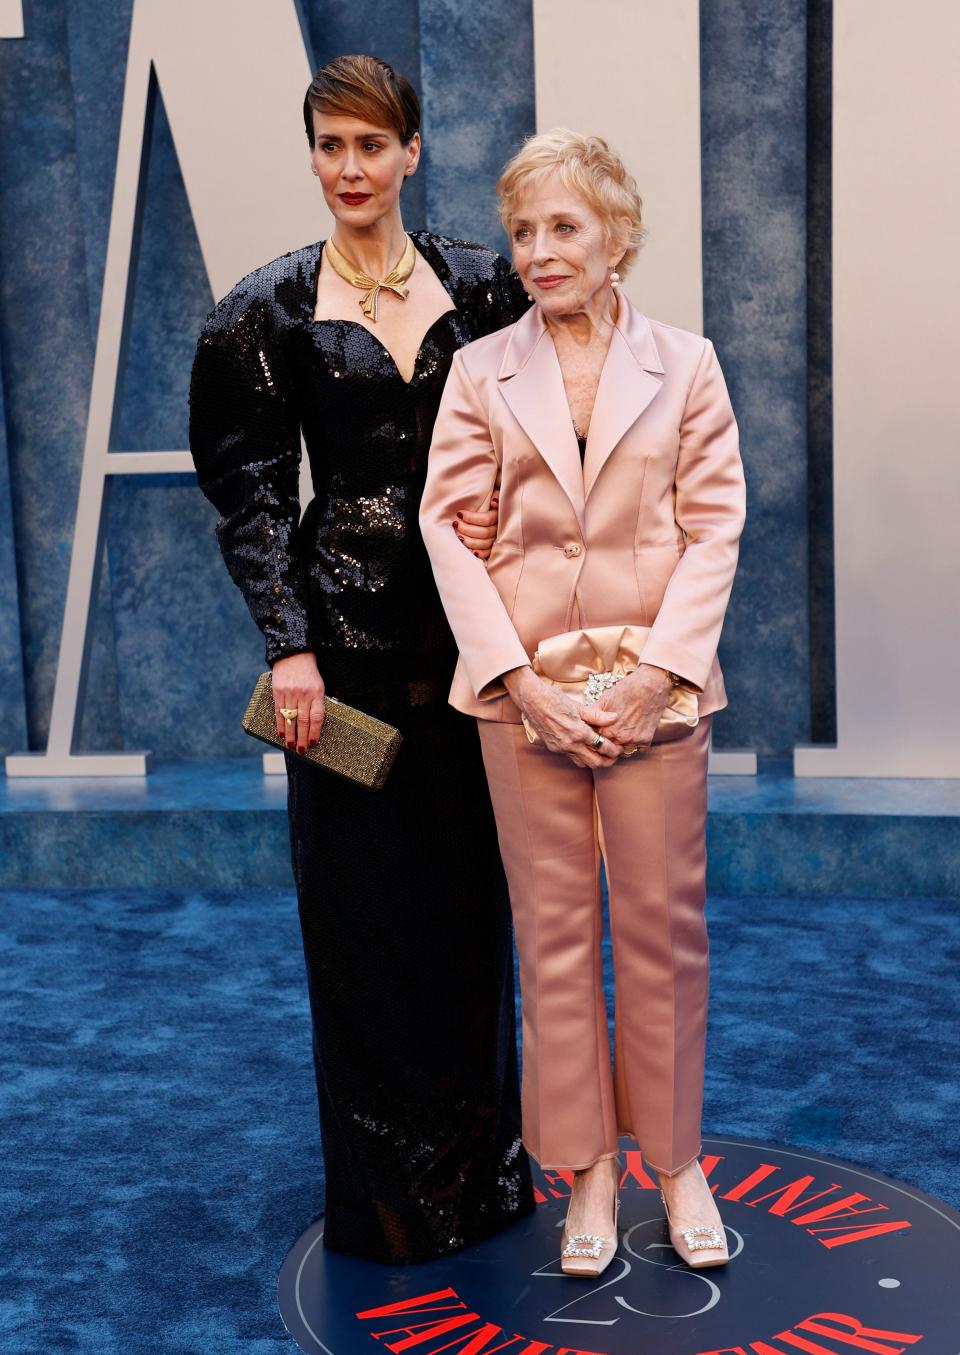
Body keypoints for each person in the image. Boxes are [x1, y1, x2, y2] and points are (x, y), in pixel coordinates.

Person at [188, 54, 534, 1265]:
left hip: (476, 650)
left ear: (412, 152)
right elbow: (248, 495)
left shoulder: (485, 286)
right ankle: (390, 1203)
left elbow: (540, 435)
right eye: (331, 145)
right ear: (315, 155)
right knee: (361, 922)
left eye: (371, 145)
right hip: (339, 667)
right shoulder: (263, 308)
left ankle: (487, 1178)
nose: (350, 168)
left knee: (476, 910)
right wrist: (287, 650)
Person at [420, 129, 746, 1277]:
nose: (539, 251)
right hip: (528, 706)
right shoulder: (479, 372)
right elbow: (446, 533)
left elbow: (714, 528)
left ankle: (676, 1161)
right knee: (556, 944)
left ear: (618, 235)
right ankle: (589, 1172)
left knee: (660, 940)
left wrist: (661, 672)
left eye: (564, 226)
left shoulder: (689, 365)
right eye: (522, 230)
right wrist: (517, 681)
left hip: (658, 697)